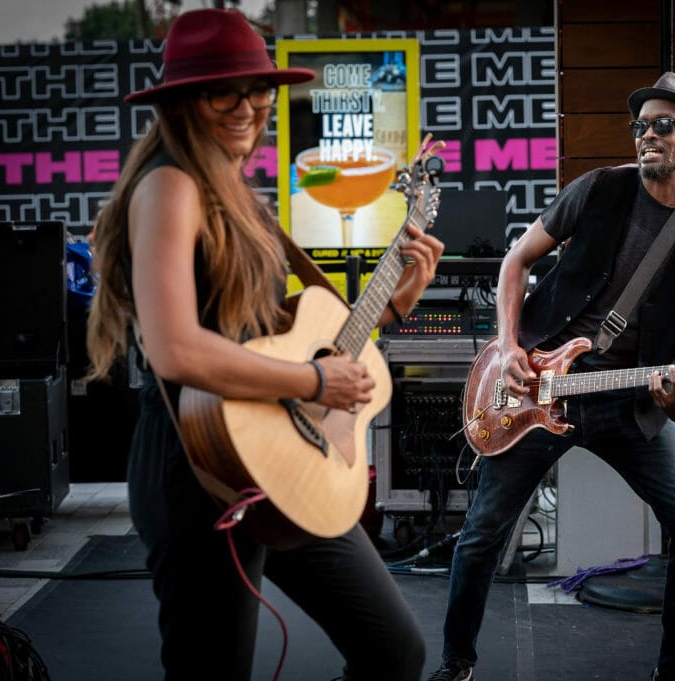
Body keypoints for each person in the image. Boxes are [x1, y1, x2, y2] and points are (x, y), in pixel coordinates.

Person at [85, 9, 442, 680]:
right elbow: (176, 351)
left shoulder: (233, 191)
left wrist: (394, 303)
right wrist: (313, 383)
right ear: (184, 100)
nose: (247, 106)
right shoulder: (170, 184)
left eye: (258, 90)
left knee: (396, 650)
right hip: (197, 467)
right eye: (226, 90)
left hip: (275, 450)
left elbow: (273, 337)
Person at [426, 72, 675, 681]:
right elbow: (517, 261)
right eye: (641, 125)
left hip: (626, 405)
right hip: (538, 388)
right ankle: (455, 663)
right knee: (482, 533)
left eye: (664, 125)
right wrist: (512, 345)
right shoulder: (596, 188)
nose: (648, 134)